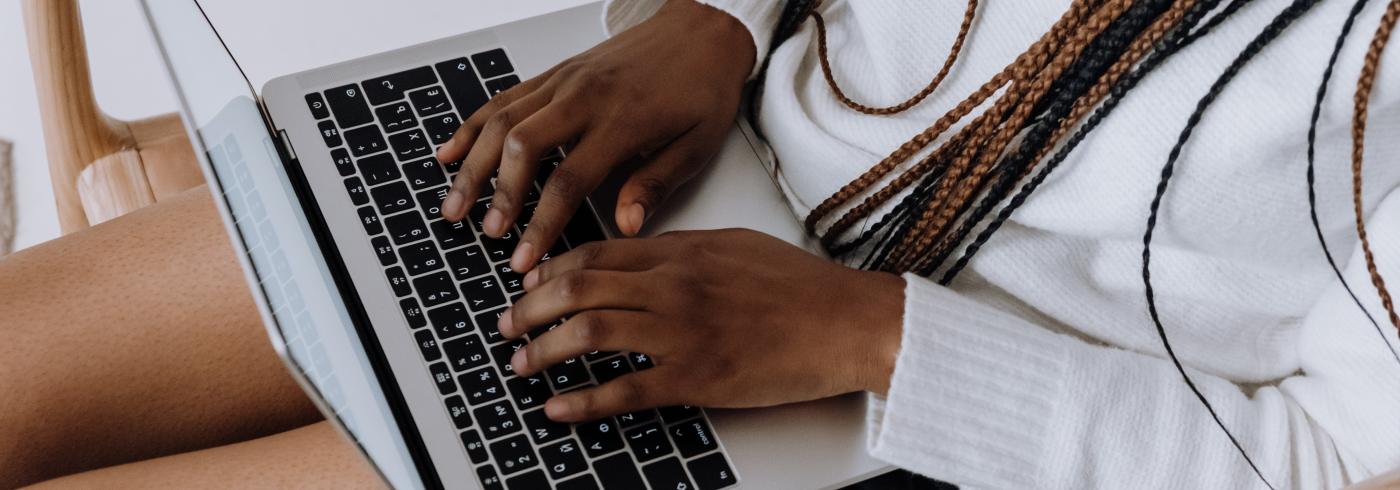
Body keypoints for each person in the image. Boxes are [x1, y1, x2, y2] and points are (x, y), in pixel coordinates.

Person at [2, 0, 1398, 488]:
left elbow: (1343, 463)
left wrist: (868, 335)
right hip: (680, 154)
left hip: (912, 422)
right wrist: (715, 20)